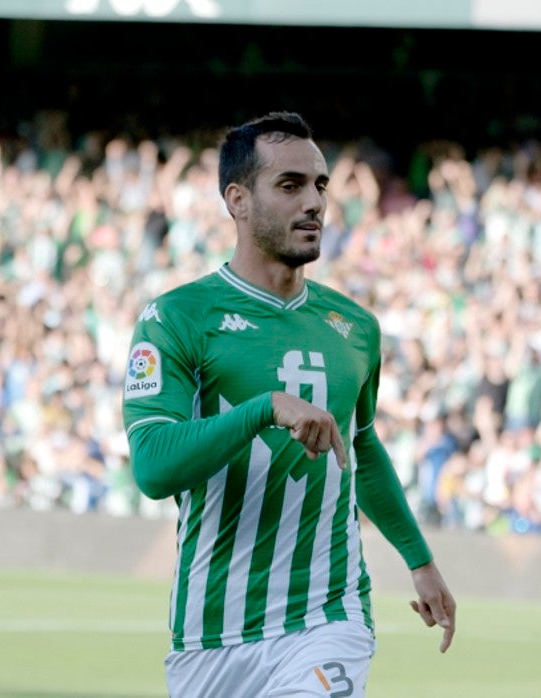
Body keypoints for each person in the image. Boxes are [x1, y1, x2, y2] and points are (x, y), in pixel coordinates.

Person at [122, 112, 455, 698]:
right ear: (238, 200)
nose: (314, 203)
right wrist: (263, 409)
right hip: (211, 631)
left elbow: (361, 448)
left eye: (320, 185)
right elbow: (152, 467)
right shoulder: (176, 318)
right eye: (290, 185)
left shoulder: (354, 328)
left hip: (329, 615)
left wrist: (419, 559)